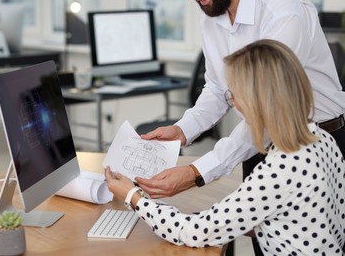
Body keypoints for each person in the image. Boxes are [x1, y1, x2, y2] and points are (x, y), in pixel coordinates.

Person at [105, 39, 345, 255]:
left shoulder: (280, 169)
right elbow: (299, 221)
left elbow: (193, 233)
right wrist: (219, 219)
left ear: (256, 101)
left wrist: (132, 196)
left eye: (233, 95)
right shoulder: (321, 140)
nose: (233, 103)